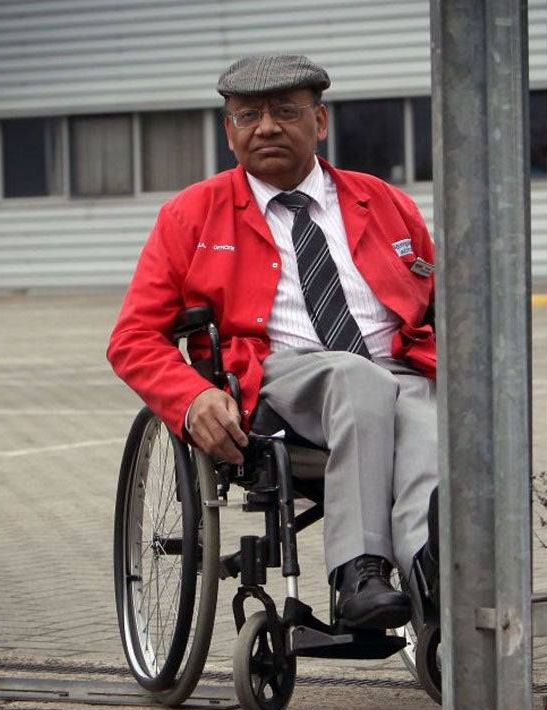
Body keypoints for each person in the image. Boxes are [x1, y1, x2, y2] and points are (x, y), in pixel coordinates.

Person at [107, 54, 438, 632]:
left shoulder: (384, 202)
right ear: (228, 130)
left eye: (286, 111)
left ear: (321, 122)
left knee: (432, 419)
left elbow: (441, 306)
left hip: (397, 373)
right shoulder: (191, 215)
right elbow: (134, 337)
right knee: (356, 378)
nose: (266, 126)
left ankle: (433, 583)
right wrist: (190, 398)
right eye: (248, 114)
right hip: (279, 381)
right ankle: (358, 573)